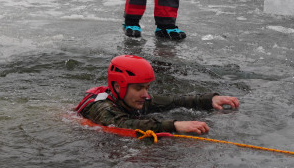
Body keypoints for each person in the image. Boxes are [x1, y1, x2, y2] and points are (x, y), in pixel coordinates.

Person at [75, 55, 239, 134]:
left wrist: (209, 99)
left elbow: (173, 101)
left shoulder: (130, 98)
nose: (145, 95)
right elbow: (124, 125)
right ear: (118, 87)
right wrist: (175, 125)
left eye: (147, 88)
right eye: (139, 88)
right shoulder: (101, 108)